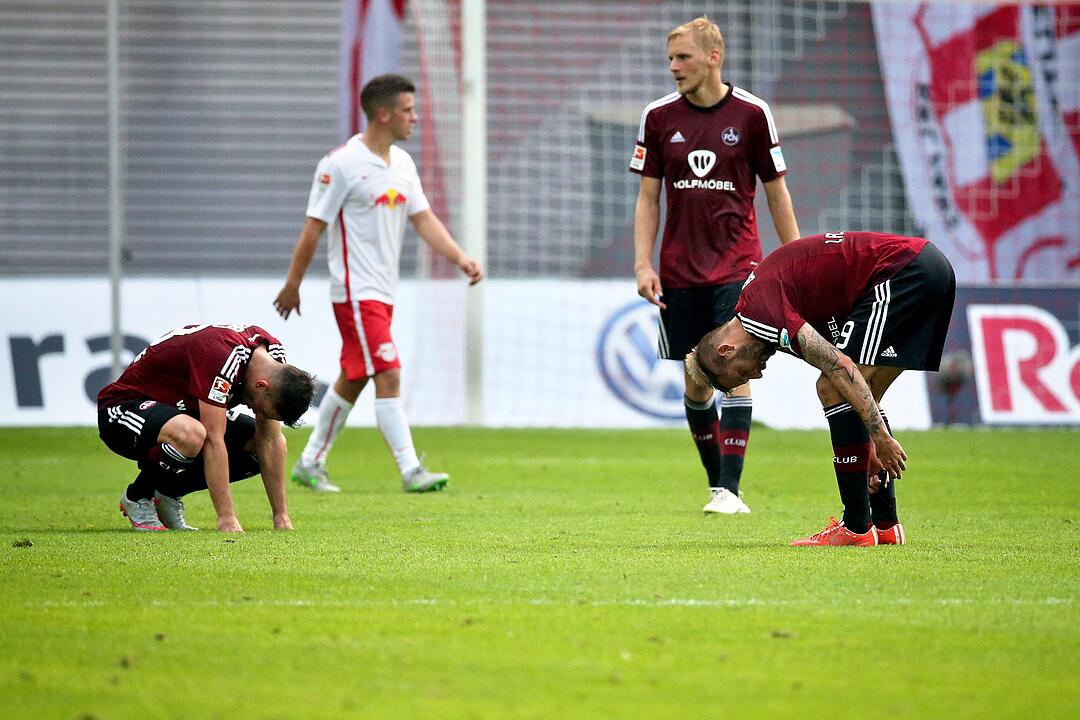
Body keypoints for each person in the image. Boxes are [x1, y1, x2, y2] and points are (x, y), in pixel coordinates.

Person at [274, 73, 483, 494]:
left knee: (354, 377)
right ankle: (411, 470)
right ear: (384, 114)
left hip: (384, 293)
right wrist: (293, 283)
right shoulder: (340, 165)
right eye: (408, 110)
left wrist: (459, 257)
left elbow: (423, 218)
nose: (415, 118)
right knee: (388, 371)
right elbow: (314, 227)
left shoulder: (402, 164)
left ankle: (311, 462)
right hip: (356, 292)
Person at [686, 231, 956, 546]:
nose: (757, 375)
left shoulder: (762, 314)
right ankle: (885, 525)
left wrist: (881, 438)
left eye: (743, 374)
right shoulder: (762, 314)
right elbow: (860, 389)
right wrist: (868, 443)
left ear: (727, 350)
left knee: (833, 386)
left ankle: (856, 527)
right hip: (926, 268)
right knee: (858, 388)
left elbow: (839, 367)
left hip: (903, 271)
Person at [630, 17, 800, 515]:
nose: (673, 67)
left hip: (738, 267)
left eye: (682, 57)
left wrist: (795, 261)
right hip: (679, 272)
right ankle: (718, 486)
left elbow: (777, 192)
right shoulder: (658, 117)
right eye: (670, 58)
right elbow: (648, 198)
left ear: (713, 57)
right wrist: (642, 264)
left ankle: (730, 488)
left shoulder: (752, 114)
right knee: (695, 379)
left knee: (733, 361)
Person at [98, 323, 316, 533]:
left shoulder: (273, 358)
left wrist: (281, 517)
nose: (258, 413)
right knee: (192, 435)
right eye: (263, 410)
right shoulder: (221, 357)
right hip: (122, 410)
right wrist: (226, 518)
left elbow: (270, 440)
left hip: (178, 414)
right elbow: (214, 439)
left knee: (261, 444)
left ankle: (167, 493)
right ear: (261, 386)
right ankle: (138, 496)